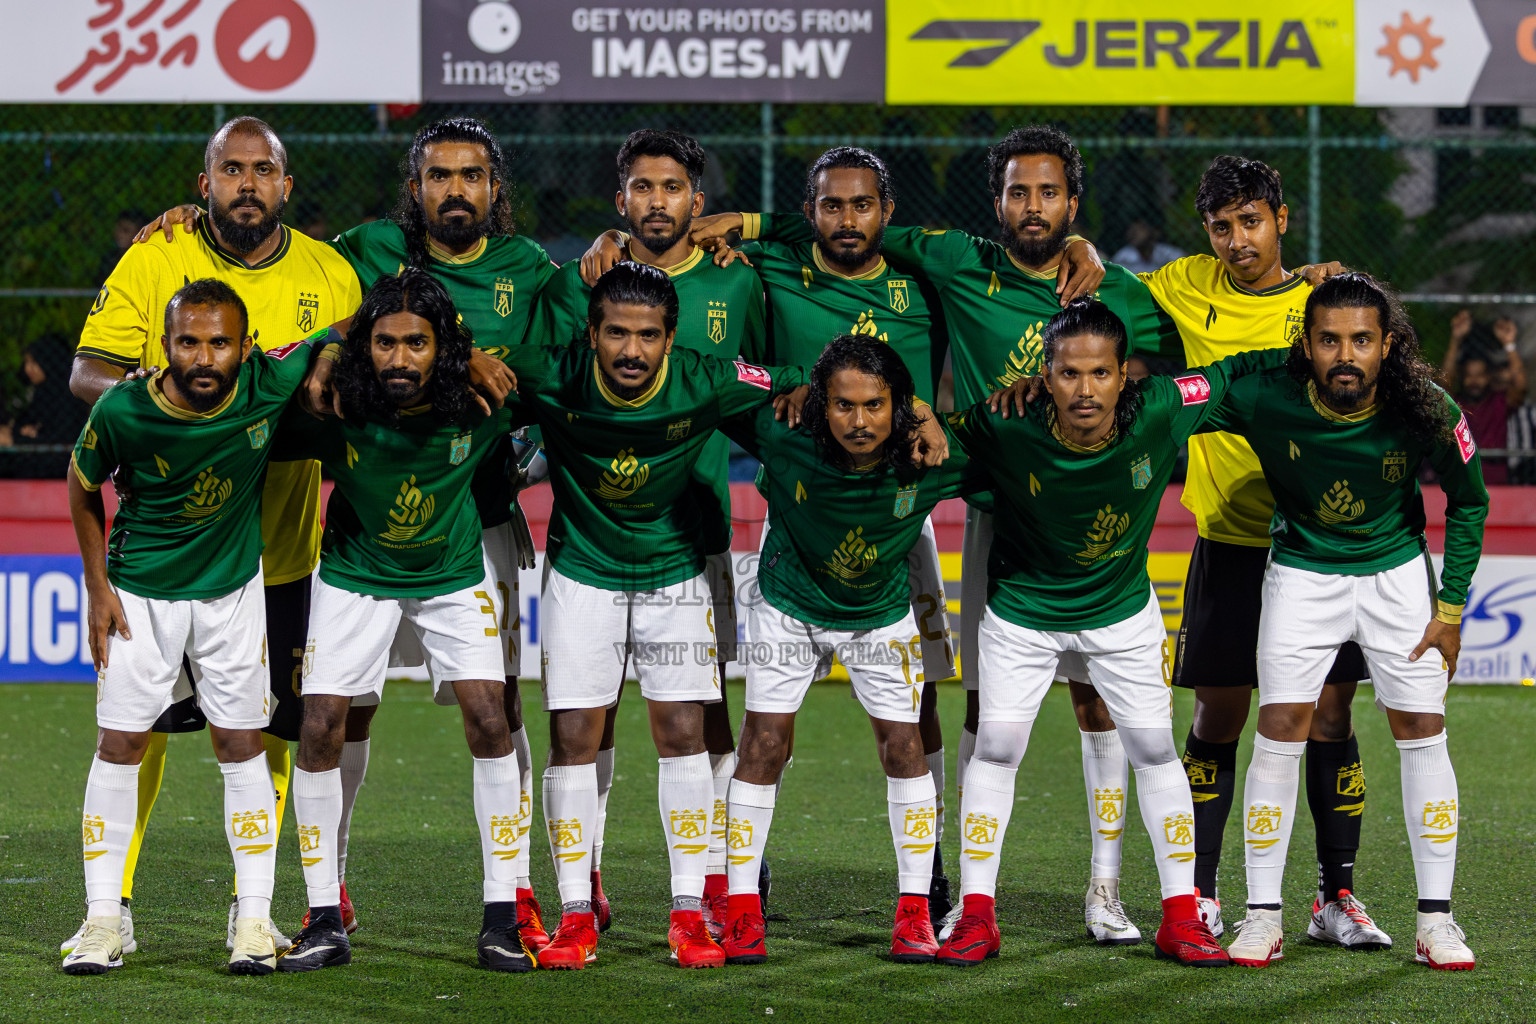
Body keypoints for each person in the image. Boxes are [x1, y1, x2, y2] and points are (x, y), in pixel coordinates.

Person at [698, 125, 1180, 947]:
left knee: (1089, 702)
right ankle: (940, 882)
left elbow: (1163, 366)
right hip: (965, 509)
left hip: (965, 507)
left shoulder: (1115, 290)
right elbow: (810, 226)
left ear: (1074, 202)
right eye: (1018, 193)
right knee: (976, 705)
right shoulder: (952, 261)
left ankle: (1103, 888)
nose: (1034, 208)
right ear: (995, 202)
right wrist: (740, 225)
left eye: (1050, 193)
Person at [136, 115, 556, 944]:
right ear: (415, 187)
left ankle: (518, 897)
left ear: (495, 188)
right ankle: (328, 901)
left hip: (476, 521)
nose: (455, 190)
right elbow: (283, 297)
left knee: (497, 709)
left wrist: (526, 441)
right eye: (438, 175)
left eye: (472, 175)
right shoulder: (356, 255)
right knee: (337, 716)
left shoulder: (532, 270)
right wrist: (189, 227)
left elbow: (571, 376)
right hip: (359, 539)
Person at [625, 144, 963, 920]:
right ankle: (743, 861)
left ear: (887, 212)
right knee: (765, 714)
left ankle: (930, 863)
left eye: (863, 205)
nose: (848, 220)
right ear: (807, 213)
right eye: (830, 206)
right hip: (804, 502)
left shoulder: (925, 281)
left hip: (903, 514)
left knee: (921, 705)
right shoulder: (771, 268)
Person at [66, 116, 361, 957]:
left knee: (263, 733)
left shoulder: (329, 271)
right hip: (162, 557)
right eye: (229, 169)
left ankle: (254, 909)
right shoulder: (161, 257)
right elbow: (89, 369)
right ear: (205, 185)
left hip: (280, 552)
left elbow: (357, 357)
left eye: (261, 170)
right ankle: (110, 905)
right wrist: (163, 403)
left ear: (285, 186)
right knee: (140, 731)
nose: (245, 184)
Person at [938, 297, 1281, 969]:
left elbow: (1239, 368)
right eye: (1068, 374)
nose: (1084, 390)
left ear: (1125, 375)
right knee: (998, 746)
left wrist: (1312, 348)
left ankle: (1180, 916)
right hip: (1022, 615)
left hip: (1121, 613)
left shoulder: (1161, 408)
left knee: (1154, 749)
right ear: (1045, 373)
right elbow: (925, 450)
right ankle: (977, 914)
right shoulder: (1003, 423)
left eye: (1099, 373)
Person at [503, 262, 807, 970]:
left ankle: (687, 915)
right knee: (574, 737)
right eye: (616, 334)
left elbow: (800, 373)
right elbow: (467, 363)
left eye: (648, 335)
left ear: (672, 338)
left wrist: (908, 407)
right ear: (591, 333)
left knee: (683, 735)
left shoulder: (706, 377)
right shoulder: (551, 371)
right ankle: (576, 913)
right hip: (582, 577)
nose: (631, 351)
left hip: (676, 578)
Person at [1205, 273, 1487, 970]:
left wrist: (1448, 610)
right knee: (1279, 730)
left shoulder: (1426, 406)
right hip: (1302, 574)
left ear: (1387, 344)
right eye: (1329, 339)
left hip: (1396, 578)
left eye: (1362, 339)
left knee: (1421, 729)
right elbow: (1172, 402)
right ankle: (1262, 916)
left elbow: (1470, 501)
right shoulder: (1266, 390)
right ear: (1307, 343)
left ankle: (1436, 922)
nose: (1346, 355)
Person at [1132, 156, 1381, 945]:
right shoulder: (1181, 286)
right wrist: (1089, 256)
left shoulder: (1321, 304)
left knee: (1330, 714)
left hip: (1319, 545)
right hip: (1229, 540)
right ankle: (1199, 893)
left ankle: (1333, 898)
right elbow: (1108, 303)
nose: (1237, 240)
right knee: (1220, 711)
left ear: (1280, 218)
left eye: (1250, 221)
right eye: (1220, 226)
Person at [533, 129, 768, 935]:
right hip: (593, 529)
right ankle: (584, 875)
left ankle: (719, 876)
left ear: (697, 201)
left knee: (702, 714)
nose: (657, 201)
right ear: (620, 197)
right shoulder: (581, 282)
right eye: (641, 187)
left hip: (694, 528)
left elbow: (769, 388)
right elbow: (549, 385)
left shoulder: (738, 281)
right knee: (583, 714)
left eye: (673, 188)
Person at [272, 270, 529, 974]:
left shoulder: (480, 403)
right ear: (366, 345)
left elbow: (564, 367)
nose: (399, 359)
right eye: (384, 342)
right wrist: (327, 348)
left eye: (417, 343)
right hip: (354, 573)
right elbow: (263, 365)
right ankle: (325, 917)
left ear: (441, 348)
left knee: (490, 717)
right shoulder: (333, 406)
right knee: (321, 722)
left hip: (451, 573)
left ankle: (501, 915)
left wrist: (471, 347)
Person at [63, 279, 322, 976]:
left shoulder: (268, 382)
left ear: (246, 347)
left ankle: (256, 921)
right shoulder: (124, 410)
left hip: (233, 597)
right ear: (165, 346)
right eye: (187, 342)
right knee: (121, 743)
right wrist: (97, 586)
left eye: (218, 343)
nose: (203, 357)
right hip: (139, 597)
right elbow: (80, 482)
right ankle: (102, 920)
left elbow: (343, 331)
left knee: (241, 743)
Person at [716, 335, 983, 966]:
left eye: (875, 405)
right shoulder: (780, 431)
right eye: (842, 405)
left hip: (880, 614)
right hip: (787, 605)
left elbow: (1014, 439)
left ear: (899, 407)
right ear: (820, 404)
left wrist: (929, 417)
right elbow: (714, 373)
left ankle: (915, 911)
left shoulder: (931, 455)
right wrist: (790, 378)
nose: (859, 422)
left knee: (904, 743)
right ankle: (742, 908)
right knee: (763, 743)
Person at [1440, 309, 1526, 486]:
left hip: (1497, 479)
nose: (1474, 381)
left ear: (1489, 377)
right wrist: (1455, 340)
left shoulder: (1499, 402)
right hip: (1462, 476)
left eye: (1480, 375)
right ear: (1462, 378)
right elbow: (1441, 387)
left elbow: (1520, 386)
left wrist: (1509, 345)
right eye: (1469, 376)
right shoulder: (1457, 404)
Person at [1, 335, 89, 478]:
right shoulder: (42, 392)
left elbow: (62, 442)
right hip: (39, 457)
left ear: (47, 362)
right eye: (27, 362)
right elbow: (23, 424)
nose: (28, 368)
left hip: (59, 464)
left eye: (34, 362)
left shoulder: (69, 397)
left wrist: (18, 439)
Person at [1112, 219, 1185, 276]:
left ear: (1153, 231)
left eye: (1140, 228)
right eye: (1131, 229)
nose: (1133, 233)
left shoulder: (1168, 253)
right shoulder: (1123, 257)